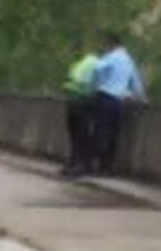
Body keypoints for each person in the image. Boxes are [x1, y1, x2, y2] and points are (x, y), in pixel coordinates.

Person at [89, 30, 146, 176]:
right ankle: (107, 167)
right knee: (114, 134)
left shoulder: (111, 57)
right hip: (119, 102)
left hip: (105, 97)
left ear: (110, 44)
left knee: (100, 131)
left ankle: (94, 165)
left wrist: (95, 85)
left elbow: (96, 69)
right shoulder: (128, 59)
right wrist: (142, 98)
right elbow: (136, 82)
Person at [61, 41, 100, 177]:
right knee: (82, 135)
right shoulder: (93, 63)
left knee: (76, 135)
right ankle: (79, 165)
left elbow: (73, 82)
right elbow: (93, 85)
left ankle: (74, 164)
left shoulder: (82, 64)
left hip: (75, 102)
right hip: (82, 102)